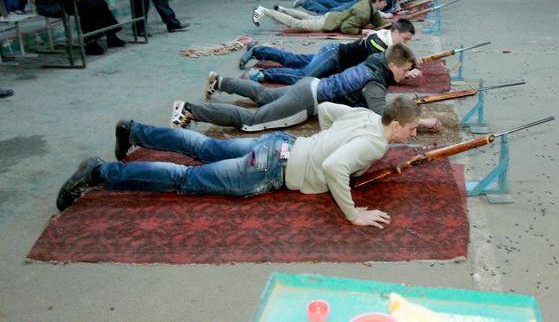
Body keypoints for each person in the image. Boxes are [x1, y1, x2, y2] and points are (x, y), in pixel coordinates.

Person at [56, 97, 421, 228]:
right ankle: (99, 172)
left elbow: (325, 110)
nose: (414, 133)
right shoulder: (375, 144)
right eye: (412, 128)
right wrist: (353, 214)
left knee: (204, 145)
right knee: (186, 179)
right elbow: (334, 168)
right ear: (396, 124)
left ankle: (135, 131)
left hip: (281, 144)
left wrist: (321, 144)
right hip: (271, 168)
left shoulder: (366, 115)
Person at [173, 44, 441, 133]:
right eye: (404, 70)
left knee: (264, 94)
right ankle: (190, 110)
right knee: (252, 121)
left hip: (311, 85)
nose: (405, 75)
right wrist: (421, 122)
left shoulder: (375, 60)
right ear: (392, 66)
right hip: (307, 101)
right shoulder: (375, 84)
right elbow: (383, 115)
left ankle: (220, 81)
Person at [242, 19, 418, 84]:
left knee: (294, 60)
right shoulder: (378, 42)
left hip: (334, 56)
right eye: (405, 39)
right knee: (303, 76)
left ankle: (258, 50)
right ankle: (260, 75)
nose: (406, 44)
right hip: (334, 56)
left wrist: (410, 67)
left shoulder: (387, 39)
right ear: (395, 32)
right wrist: (406, 71)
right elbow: (380, 68)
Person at [252, 0, 391, 34]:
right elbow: (346, 27)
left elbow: (378, 20)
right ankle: (263, 10)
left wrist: (390, 27)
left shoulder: (370, 4)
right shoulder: (364, 12)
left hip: (332, 16)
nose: (386, 5)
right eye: (385, 2)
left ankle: (283, 9)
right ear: (378, 1)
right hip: (328, 23)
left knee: (308, 17)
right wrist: (362, 31)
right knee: (297, 23)